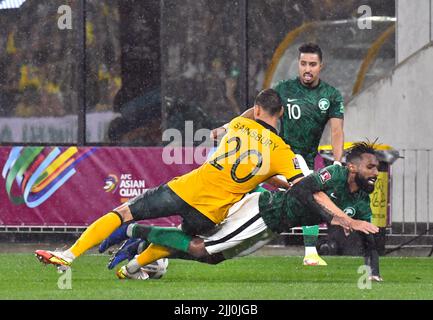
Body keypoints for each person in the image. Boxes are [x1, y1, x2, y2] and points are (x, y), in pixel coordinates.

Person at [35, 88, 305, 269]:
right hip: (210, 214)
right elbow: (294, 184)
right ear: (280, 114)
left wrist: (221, 129)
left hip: (186, 190)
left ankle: (69, 255)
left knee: (124, 212)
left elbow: (248, 116)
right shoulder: (280, 151)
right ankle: (132, 268)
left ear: (257, 109)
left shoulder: (238, 124)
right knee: (178, 240)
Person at [102, 141, 381, 281]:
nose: (375, 173)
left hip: (271, 226)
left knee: (211, 257)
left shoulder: (361, 202)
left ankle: (139, 252)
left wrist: (373, 272)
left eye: (378, 169)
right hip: (264, 212)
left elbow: (368, 236)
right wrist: (338, 218)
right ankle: (132, 229)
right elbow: (300, 189)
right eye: (371, 167)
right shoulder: (334, 173)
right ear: (353, 167)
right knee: (201, 247)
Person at [211, 43, 345, 266]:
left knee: (308, 196)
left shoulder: (330, 95)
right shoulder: (284, 88)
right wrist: (227, 128)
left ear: (321, 66)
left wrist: (338, 161)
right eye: (303, 64)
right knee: (248, 186)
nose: (307, 69)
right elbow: (257, 110)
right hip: (275, 154)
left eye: (312, 64)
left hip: (303, 159)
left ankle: (310, 252)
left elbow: (337, 130)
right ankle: (217, 229)